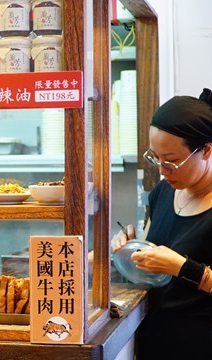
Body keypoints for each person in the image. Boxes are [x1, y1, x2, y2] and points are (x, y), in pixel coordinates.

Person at [111, 88, 212, 359]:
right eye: (155, 158)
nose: (162, 171)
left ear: (206, 150)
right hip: (155, 340)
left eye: (172, 162)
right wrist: (131, 248)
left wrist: (182, 267)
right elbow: (151, 271)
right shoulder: (163, 192)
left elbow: (176, 266)